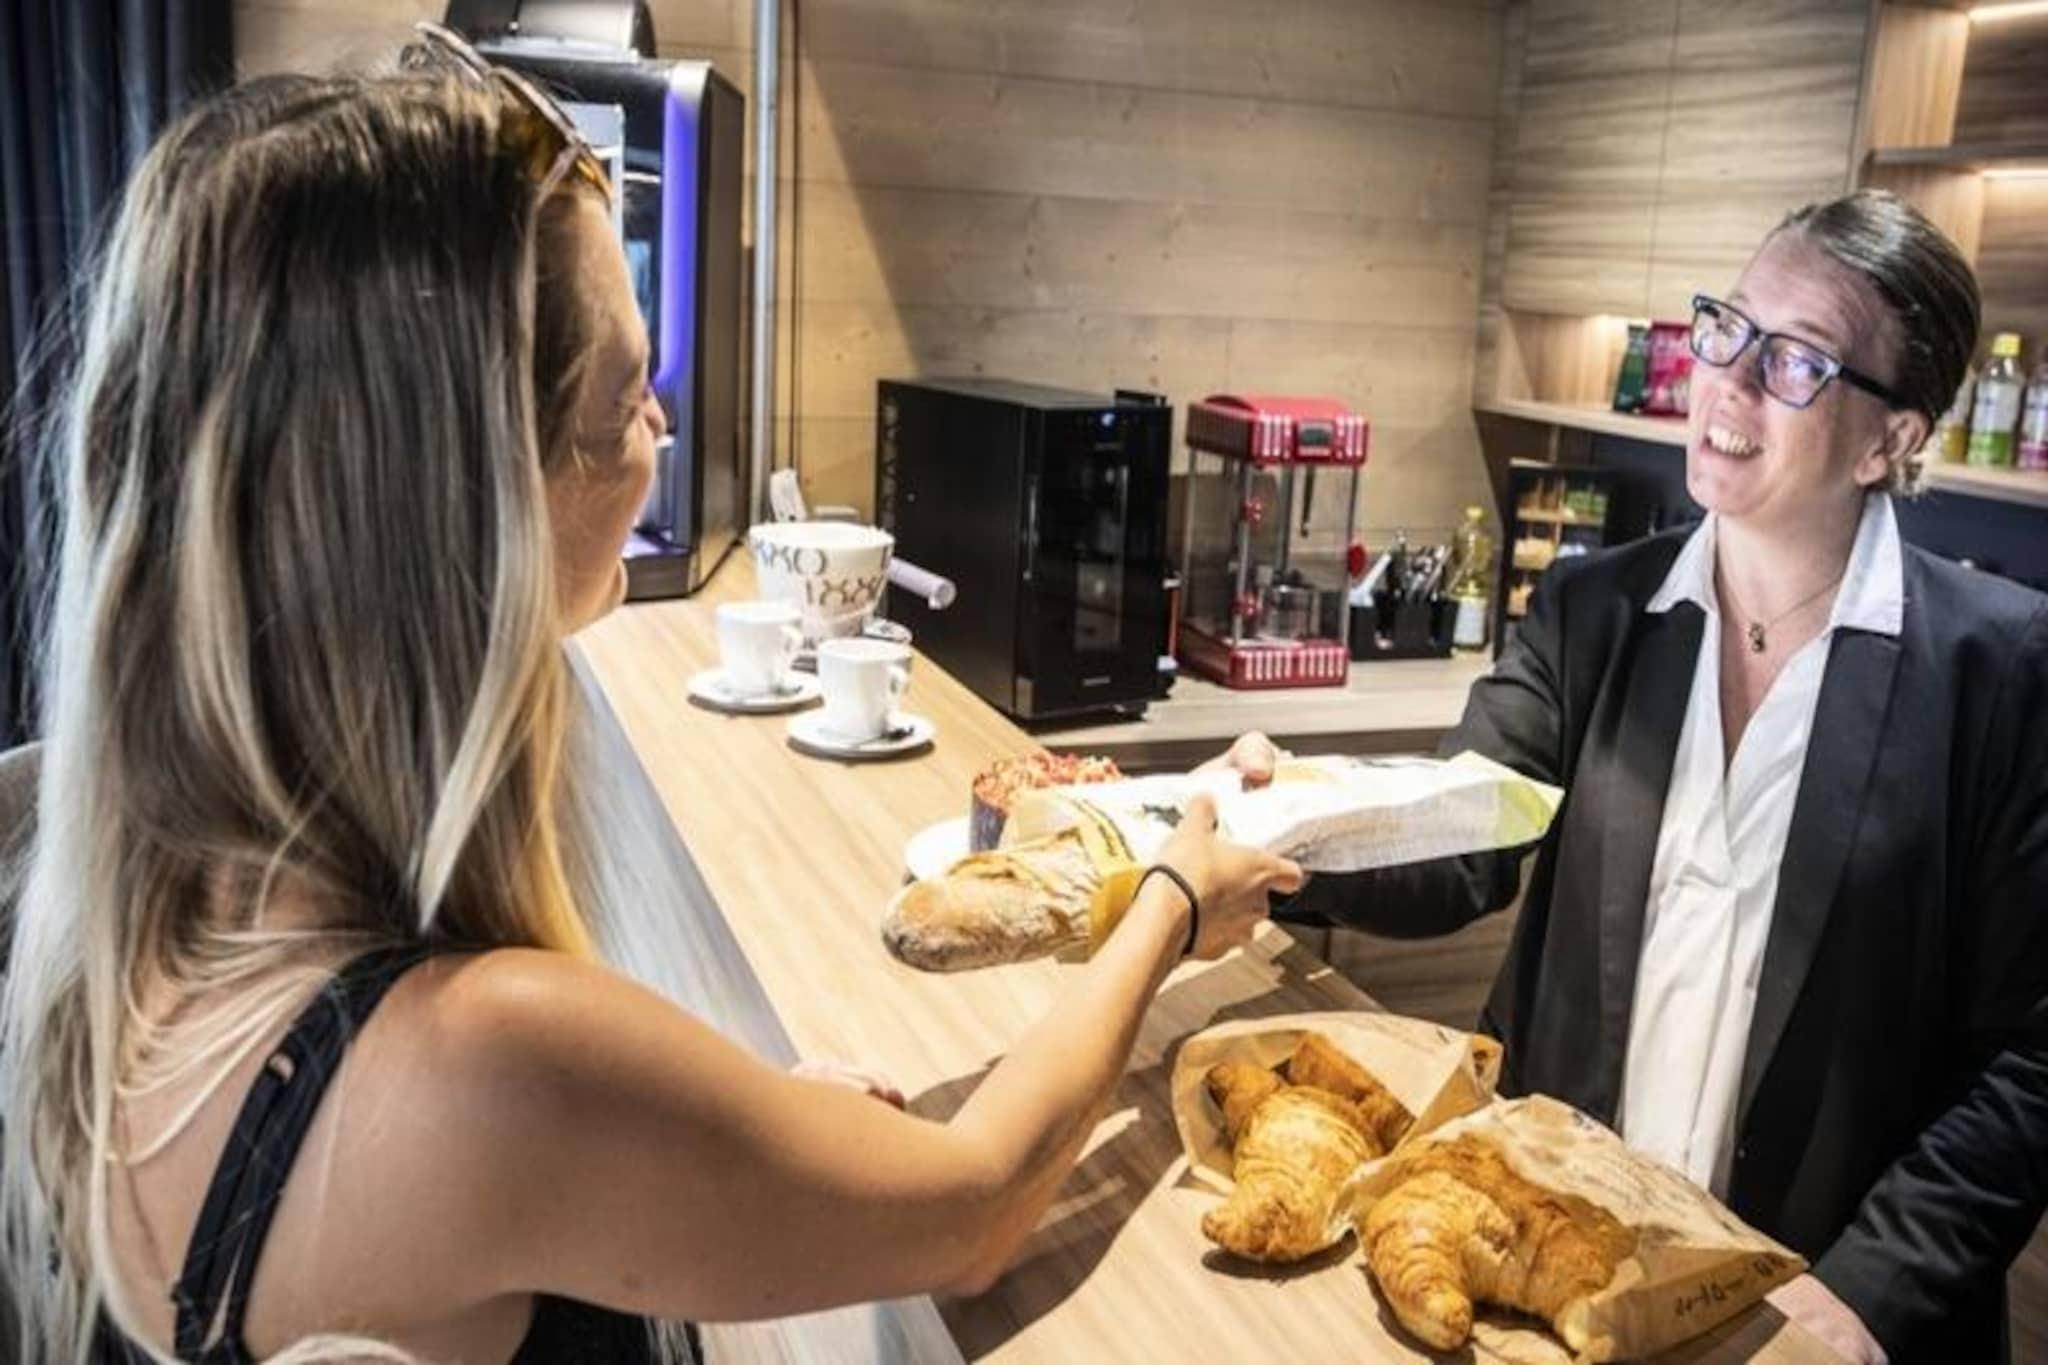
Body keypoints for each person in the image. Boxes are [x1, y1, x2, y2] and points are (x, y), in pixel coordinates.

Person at [0, 39, 1304, 1365]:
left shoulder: (131, 939)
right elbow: (974, 1205)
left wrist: (693, 1136)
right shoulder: (489, 1064)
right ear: (472, 508)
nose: (659, 436)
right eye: (626, 397)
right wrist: (1170, 899)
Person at [1251, 189, 2048, 1362]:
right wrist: (1275, 831)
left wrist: (1862, 1296)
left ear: (1890, 440)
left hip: (1803, 1319)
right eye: (1727, 329)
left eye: (1794, 362)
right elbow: (1461, 832)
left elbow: (2028, 1057)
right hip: (1558, 1275)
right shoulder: (1594, 609)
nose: (1726, 384)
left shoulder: (2001, 668)